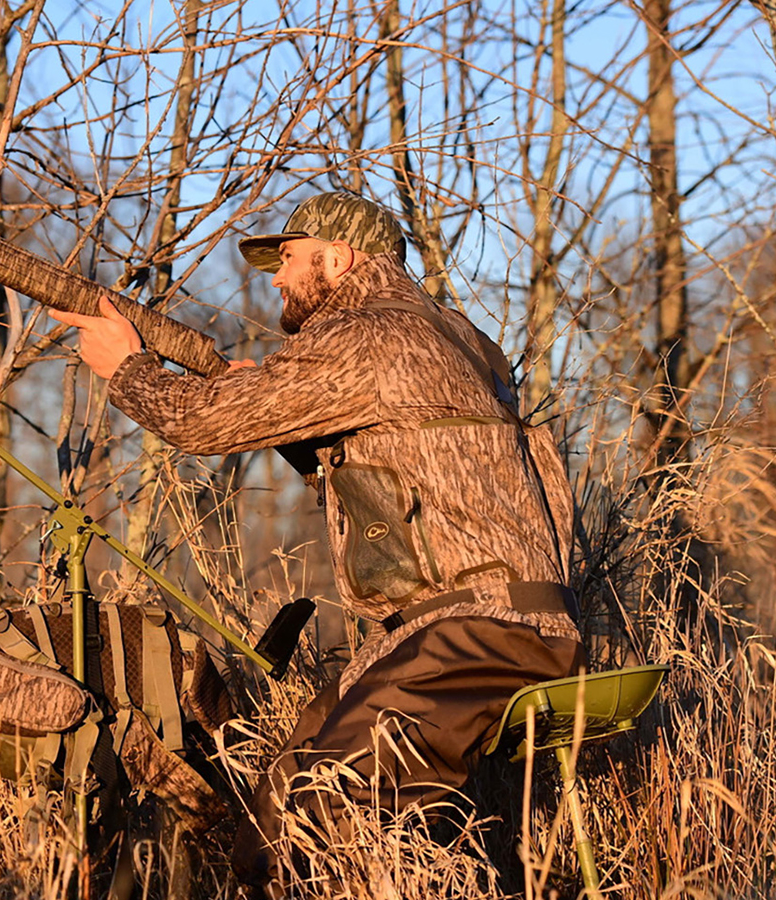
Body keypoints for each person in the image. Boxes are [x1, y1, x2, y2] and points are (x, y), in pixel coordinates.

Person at [49, 192, 585, 888]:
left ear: (339, 257)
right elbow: (398, 482)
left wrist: (128, 368)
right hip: (477, 628)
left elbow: (201, 425)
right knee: (275, 809)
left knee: (320, 808)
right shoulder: (453, 335)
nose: (274, 278)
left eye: (291, 259)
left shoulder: (368, 333)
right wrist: (286, 413)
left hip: (479, 629)